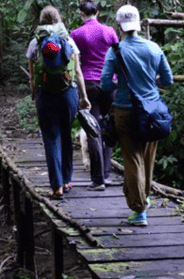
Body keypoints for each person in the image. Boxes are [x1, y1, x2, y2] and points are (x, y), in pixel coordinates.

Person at [101, 4, 173, 225]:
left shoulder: (116, 51)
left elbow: (105, 84)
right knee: (148, 159)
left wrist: (120, 82)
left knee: (133, 160)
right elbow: (168, 80)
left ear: (118, 25)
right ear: (139, 24)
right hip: (152, 110)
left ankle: (139, 209)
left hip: (126, 111)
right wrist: (150, 82)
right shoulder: (153, 48)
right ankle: (144, 198)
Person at [26, 5, 91, 199]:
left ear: (41, 21)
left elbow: (32, 75)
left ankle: (56, 186)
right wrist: (84, 96)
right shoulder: (68, 39)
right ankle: (67, 180)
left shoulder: (35, 43)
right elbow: (78, 71)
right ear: (58, 19)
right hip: (67, 93)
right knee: (65, 135)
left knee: (51, 138)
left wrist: (34, 92)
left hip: (45, 95)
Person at [70, 0, 119, 191]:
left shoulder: (75, 34)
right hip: (109, 83)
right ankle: (106, 174)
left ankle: (97, 179)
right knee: (107, 126)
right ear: (98, 12)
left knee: (92, 129)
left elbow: (72, 60)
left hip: (88, 84)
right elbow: (118, 56)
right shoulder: (110, 32)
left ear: (81, 14)